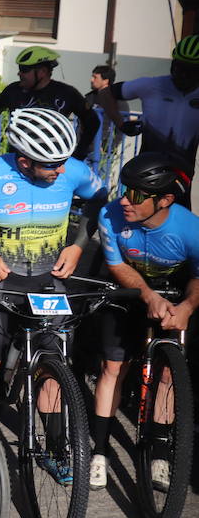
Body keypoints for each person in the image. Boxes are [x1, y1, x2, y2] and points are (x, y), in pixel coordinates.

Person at [0, 109, 108, 432]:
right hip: (0, 282)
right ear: (24, 162)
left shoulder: (72, 170)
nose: (61, 170)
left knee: (53, 369)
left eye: (64, 160)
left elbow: (100, 198)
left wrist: (77, 245)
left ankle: (56, 447)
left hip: (50, 281)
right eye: (52, 164)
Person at [88, 153, 199, 489]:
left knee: (166, 375)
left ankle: (161, 454)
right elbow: (118, 266)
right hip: (129, 293)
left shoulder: (190, 229)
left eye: (135, 194)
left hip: (175, 295)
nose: (124, 199)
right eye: (124, 189)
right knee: (112, 368)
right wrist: (148, 295)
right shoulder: (110, 215)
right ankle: (100, 451)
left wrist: (188, 307)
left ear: (164, 200)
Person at [96, 35, 199, 178]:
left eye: (191, 71)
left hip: (181, 173)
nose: (183, 75)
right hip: (146, 169)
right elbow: (105, 93)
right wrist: (121, 124)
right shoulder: (152, 85)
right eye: (179, 67)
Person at [0, 46, 97, 162]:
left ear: (42, 72)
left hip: (52, 165)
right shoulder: (13, 90)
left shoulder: (66, 93)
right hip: (18, 162)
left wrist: (78, 154)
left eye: (24, 70)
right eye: (20, 69)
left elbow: (93, 121)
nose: (19, 73)